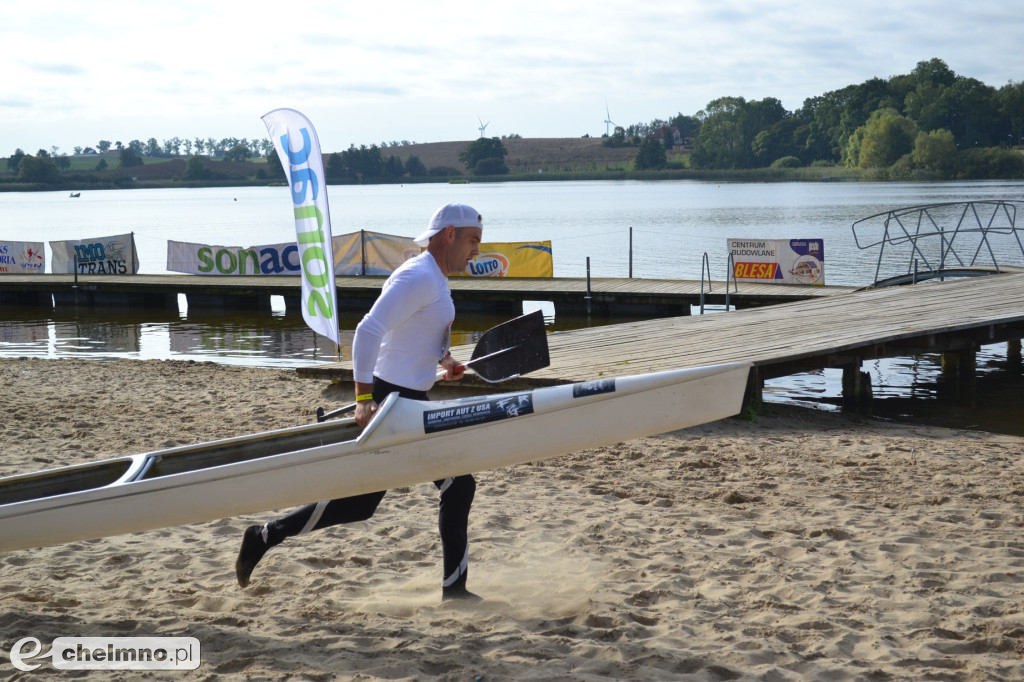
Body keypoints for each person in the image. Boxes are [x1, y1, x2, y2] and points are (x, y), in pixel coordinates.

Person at [234, 203, 484, 601]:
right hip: (391, 403)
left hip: (409, 399)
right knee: (456, 484)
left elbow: (417, 330)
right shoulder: (419, 276)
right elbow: (368, 331)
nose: (476, 251)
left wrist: (445, 359)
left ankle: (264, 536)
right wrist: (364, 398)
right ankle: (454, 591)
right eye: (472, 241)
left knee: (363, 504)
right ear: (449, 234)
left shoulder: (433, 277)